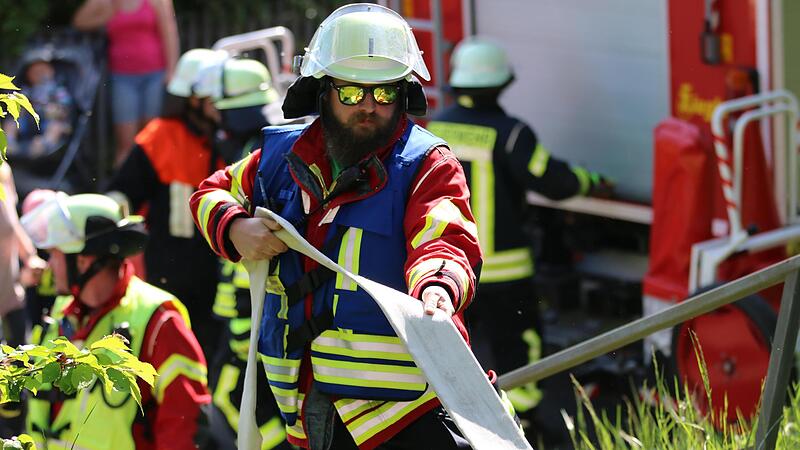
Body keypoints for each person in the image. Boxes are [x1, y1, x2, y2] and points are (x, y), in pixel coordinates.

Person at [190, 4, 482, 449]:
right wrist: (234, 228)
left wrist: (438, 288)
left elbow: (444, 239)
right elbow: (211, 193)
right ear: (322, 91)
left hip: (402, 412)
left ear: (403, 95)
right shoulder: (279, 155)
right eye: (351, 93)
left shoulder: (427, 164)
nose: (368, 106)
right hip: (304, 405)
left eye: (384, 93)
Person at [426, 37, 613, 419]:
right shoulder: (512, 133)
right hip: (506, 273)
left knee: (460, 347)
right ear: (502, 83)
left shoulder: (438, 126)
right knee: (519, 347)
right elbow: (554, 181)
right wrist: (593, 181)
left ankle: (461, 419)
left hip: (453, 270)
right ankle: (524, 420)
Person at [20, 192, 211, 449]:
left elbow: (183, 424)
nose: (49, 264)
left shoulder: (159, 321)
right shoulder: (61, 312)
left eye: (54, 254)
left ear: (83, 260)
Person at [105, 48, 228, 357]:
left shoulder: (234, 138)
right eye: (216, 99)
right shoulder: (159, 138)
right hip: (167, 272)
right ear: (195, 99)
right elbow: (123, 192)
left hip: (220, 270)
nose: (222, 107)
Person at [195, 58, 292, 449]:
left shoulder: (258, 153)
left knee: (235, 400)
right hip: (250, 305)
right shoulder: (267, 145)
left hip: (254, 307)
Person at [73, 0, 179, 168]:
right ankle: (122, 190)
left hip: (154, 75)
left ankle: (152, 190)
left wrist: (172, 70)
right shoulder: (107, 2)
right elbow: (79, 21)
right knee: (125, 143)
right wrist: (106, 16)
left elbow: (169, 32)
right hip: (123, 77)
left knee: (151, 139)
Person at [1, 52, 74, 160]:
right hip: (29, 120)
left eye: (43, 71)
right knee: (10, 123)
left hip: (49, 120)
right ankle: (10, 142)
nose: (40, 75)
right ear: (28, 75)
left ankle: (44, 143)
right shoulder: (28, 90)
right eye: (35, 72)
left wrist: (58, 110)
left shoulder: (57, 89)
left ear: (51, 71)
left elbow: (66, 106)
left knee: (56, 126)